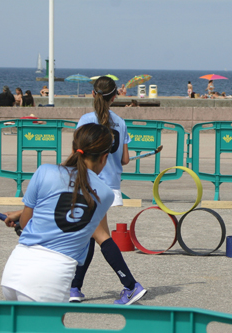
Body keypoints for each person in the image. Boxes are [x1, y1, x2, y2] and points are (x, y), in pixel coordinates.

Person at [1, 123, 115, 302]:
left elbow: (26, 223)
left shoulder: (44, 171)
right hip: (52, 277)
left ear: (73, 148)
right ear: (104, 158)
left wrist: (20, 215)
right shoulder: (106, 194)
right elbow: (73, 209)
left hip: (15, 268)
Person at [70, 76, 146, 305]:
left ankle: (131, 285)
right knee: (89, 236)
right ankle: (75, 288)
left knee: (100, 236)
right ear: (115, 97)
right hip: (110, 186)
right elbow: (124, 159)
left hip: (89, 183)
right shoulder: (120, 122)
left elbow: (76, 154)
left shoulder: (85, 120)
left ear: (93, 94)